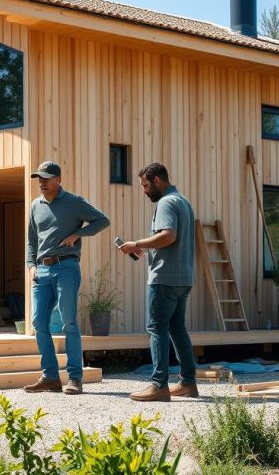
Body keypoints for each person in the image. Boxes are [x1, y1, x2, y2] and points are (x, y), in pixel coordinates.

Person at [24, 161, 110, 395]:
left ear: (58, 180)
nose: (41, 182)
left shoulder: (74, 202)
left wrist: (78, 234)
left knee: (69, 322)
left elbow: (102, 220)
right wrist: (30, 265)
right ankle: (50, 377)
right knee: (39, 323)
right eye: (38, 178)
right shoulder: (35, 205)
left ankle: (75, 378)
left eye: (46, 178)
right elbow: (31, 240)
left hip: (66, 268)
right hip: (41, 271)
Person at [118, 162, 198, 402]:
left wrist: (137, 244)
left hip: (163, 279)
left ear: (157, 181)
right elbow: (171, 239)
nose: (144, 190)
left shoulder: (166, 202)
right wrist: (148, 250)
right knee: (177, 329)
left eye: (145, 185)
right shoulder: (183, 201)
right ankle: (188, 383)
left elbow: (168, 236)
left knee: (156, 329)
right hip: (183, 277)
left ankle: (158, 385)